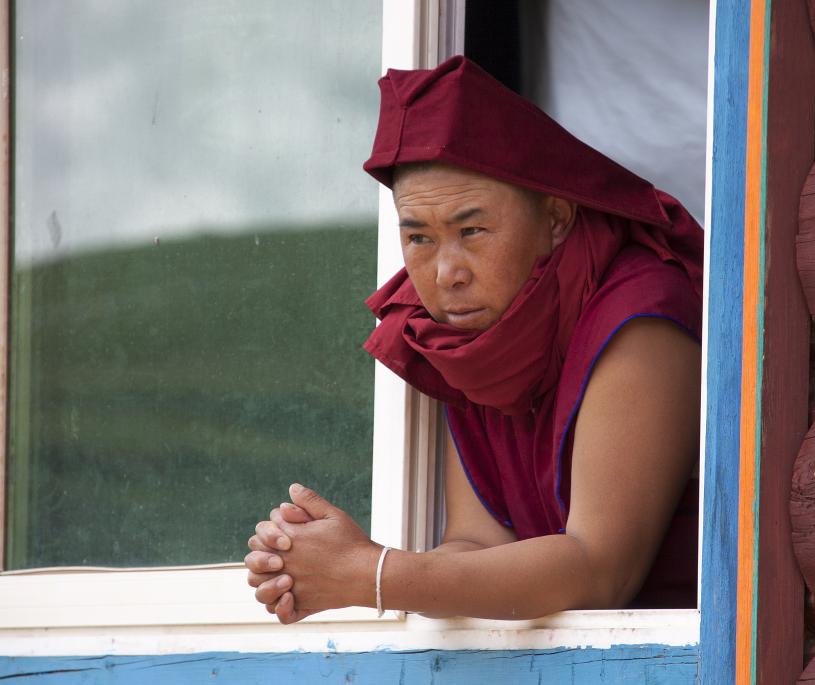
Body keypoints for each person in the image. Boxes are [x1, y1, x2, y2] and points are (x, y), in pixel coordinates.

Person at [244, 56, 703, 623]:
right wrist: (315, 564)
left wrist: (374, 575)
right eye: (419, 238)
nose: (445, 274)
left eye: (472, 231)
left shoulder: (639, 317)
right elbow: (479, 543)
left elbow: (601, 567)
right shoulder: (464, 332)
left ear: (556, 218)